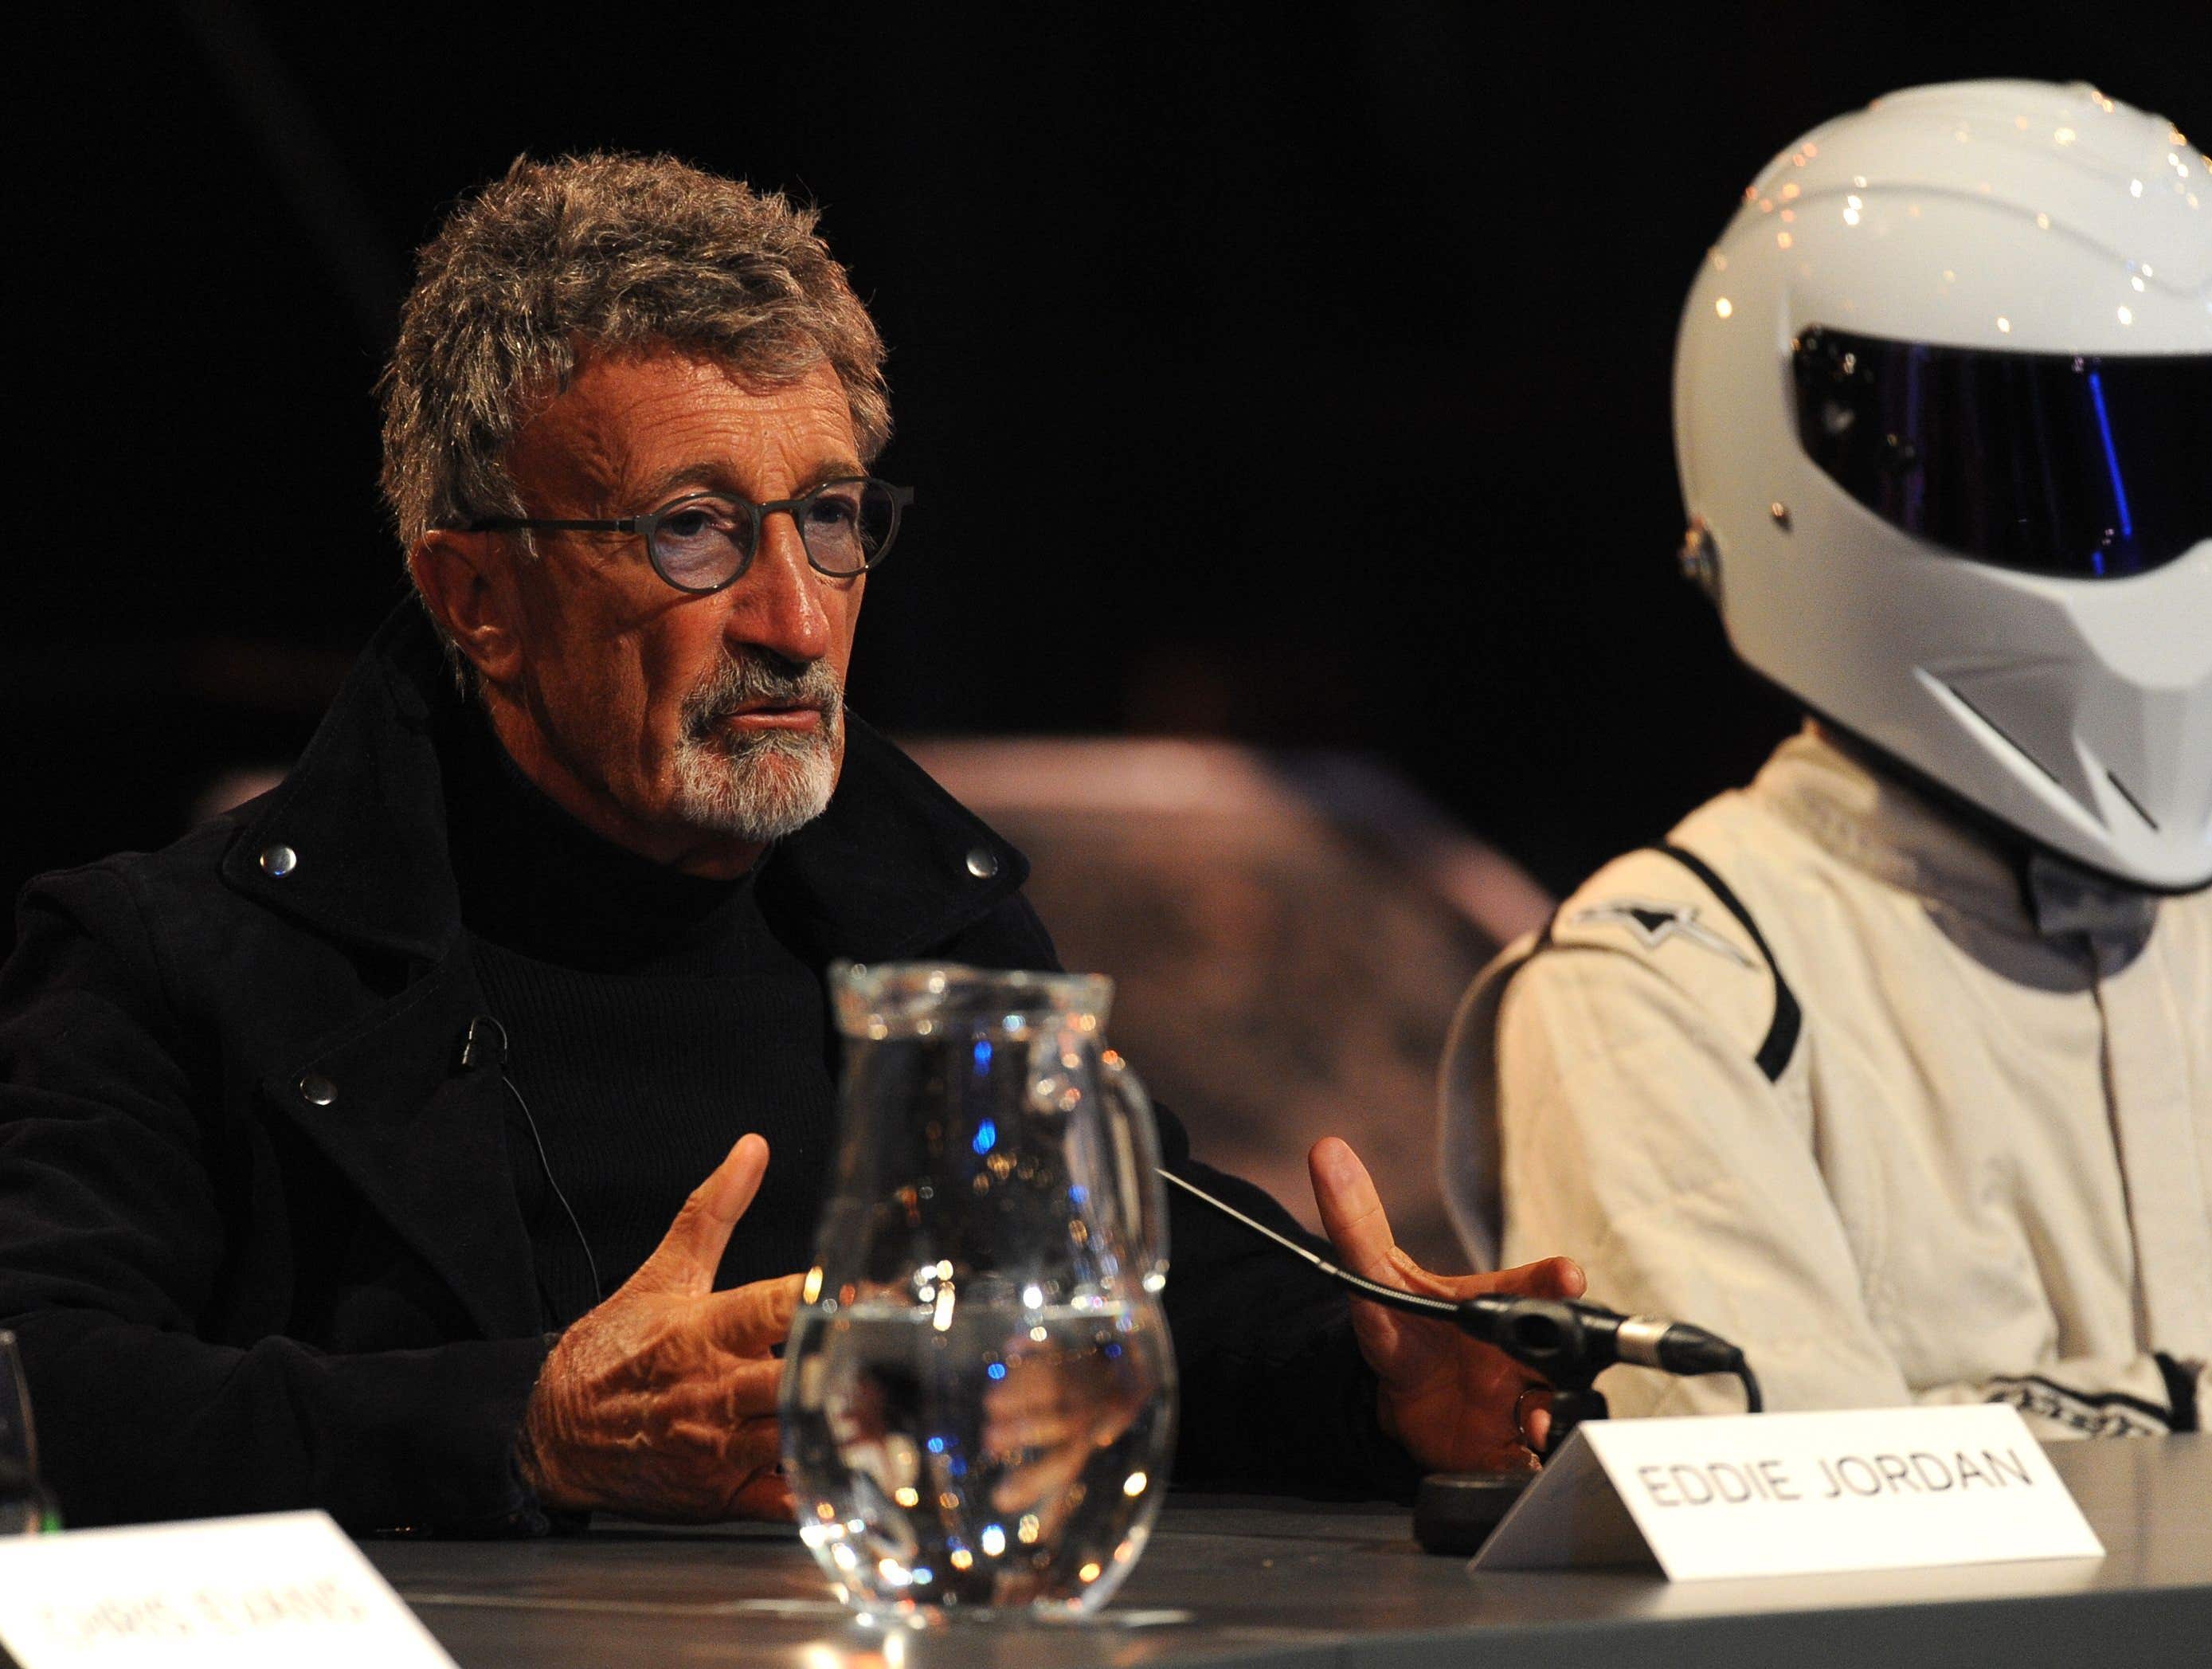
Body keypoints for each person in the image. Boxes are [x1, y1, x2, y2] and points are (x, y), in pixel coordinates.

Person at [0, 152, 1580, 1533]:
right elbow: (39, 1386)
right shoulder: (176, 966)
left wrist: (1373, 1380)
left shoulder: (924, 931)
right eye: (691, 528)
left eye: (828, 516)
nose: (794, 618)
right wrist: (520, 1429)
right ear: (477, 596)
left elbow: (1139, 1302)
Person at [1440, 81, 2212, 1436]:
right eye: (2067, 478)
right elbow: (1801, 1539)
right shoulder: (1666, 988)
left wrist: (2001, 1424)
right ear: (1802, 458)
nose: (2180, 559)